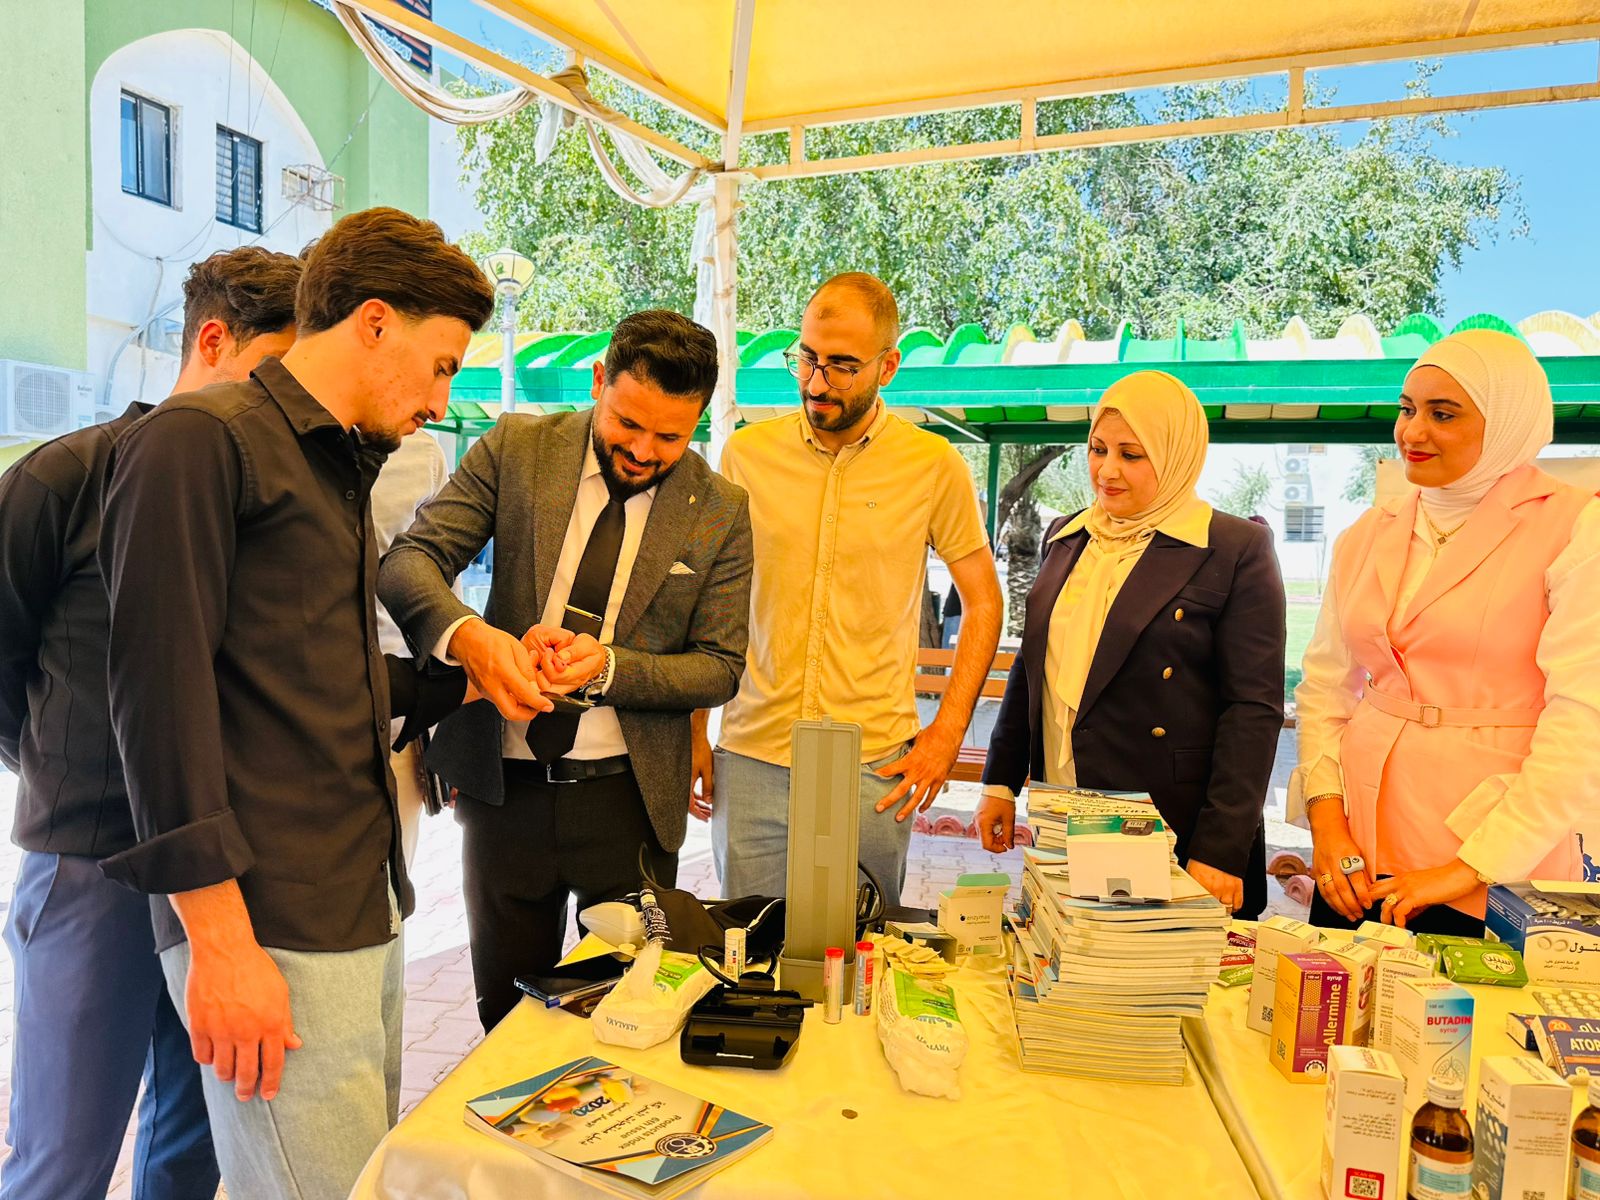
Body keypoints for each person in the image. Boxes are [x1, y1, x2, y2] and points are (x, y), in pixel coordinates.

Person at [97, 208, 499, 1200]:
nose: (441, 400)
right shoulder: (201, 441)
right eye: (441, 366)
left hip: (359, 901)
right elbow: (156, 704)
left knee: (355, 1180)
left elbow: (323, 685)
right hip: (268, 923)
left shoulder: (332, 466)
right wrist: (220, 946)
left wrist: (475, 669)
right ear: (375, 321)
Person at [0, 245, 302, 1200]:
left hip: (227, 864)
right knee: (61, 1154)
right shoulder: (66, 475)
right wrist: (66, 766)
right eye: (274, 374)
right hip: (93, 861)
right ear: (213, 341)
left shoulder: (270, 500)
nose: (285, 406)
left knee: (193, 1143)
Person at [378, 308, 754, 1030]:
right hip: (502, 794)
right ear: (598, 380)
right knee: (505, 1019)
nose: (642, 451)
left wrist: (609, 668)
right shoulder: (517, 449)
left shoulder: (720, 509)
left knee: (631, 1022)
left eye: (670, 437)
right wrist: (471, 639)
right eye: (627, 423)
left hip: (630, 802)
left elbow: (719, 668)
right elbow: (410, 561)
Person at [700, 272, 1002, 905]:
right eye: (807, 358)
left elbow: (983, 601)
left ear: (887, 366)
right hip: (752, 758)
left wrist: (946, 734)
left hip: (874, 766)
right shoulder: (745, 455)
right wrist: (695, 729)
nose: (816, 383)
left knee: (862, 953)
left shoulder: (933, 466)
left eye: (841, 367)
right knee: (748, 950)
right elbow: (709, 599)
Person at [1294, 330, 1600, 934]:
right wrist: (1327, 822)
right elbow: (1325, 687)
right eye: (1407, 409)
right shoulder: (1368, 532)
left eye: (1443, 414)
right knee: (1334, 991)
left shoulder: (1576, 528)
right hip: (1358, 851)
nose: (1411, 432)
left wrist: (1471, 866)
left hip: (1495, 853)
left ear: (1508, 422)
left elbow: (1583, 720)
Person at [977, 371, 1285, 917]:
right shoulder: (1066, 535)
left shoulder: (1234, 547)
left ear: (1175, 455)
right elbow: (1033, 664)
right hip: (1062, 804)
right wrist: (1000, 781)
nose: (1107, 470)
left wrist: (1221, 847)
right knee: (1067, 955)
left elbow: (1252, 709)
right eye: (1098, 449)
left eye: (1132, 455)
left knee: (1155, 968)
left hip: (1167, 822)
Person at [370, 427, 453, 866]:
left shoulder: (421, 452)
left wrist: (447, 735)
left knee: (394, 878)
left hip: (398, 718)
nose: (437, 408)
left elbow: (443, 588)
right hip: (291, 719)